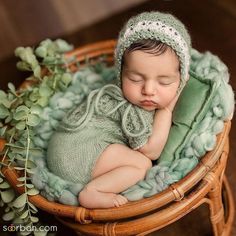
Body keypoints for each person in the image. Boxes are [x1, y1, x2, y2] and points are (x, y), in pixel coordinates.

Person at [46, 11, 191, 209]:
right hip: (77, 154)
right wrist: (166, 109)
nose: (148, 90)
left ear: (181, 79)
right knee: (142, 164)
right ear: (120, 73)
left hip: (64, 145)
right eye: (135, 79)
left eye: (164, 81)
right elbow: (152, 150)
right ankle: (94, 191)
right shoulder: (130, 108)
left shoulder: (135, 96)